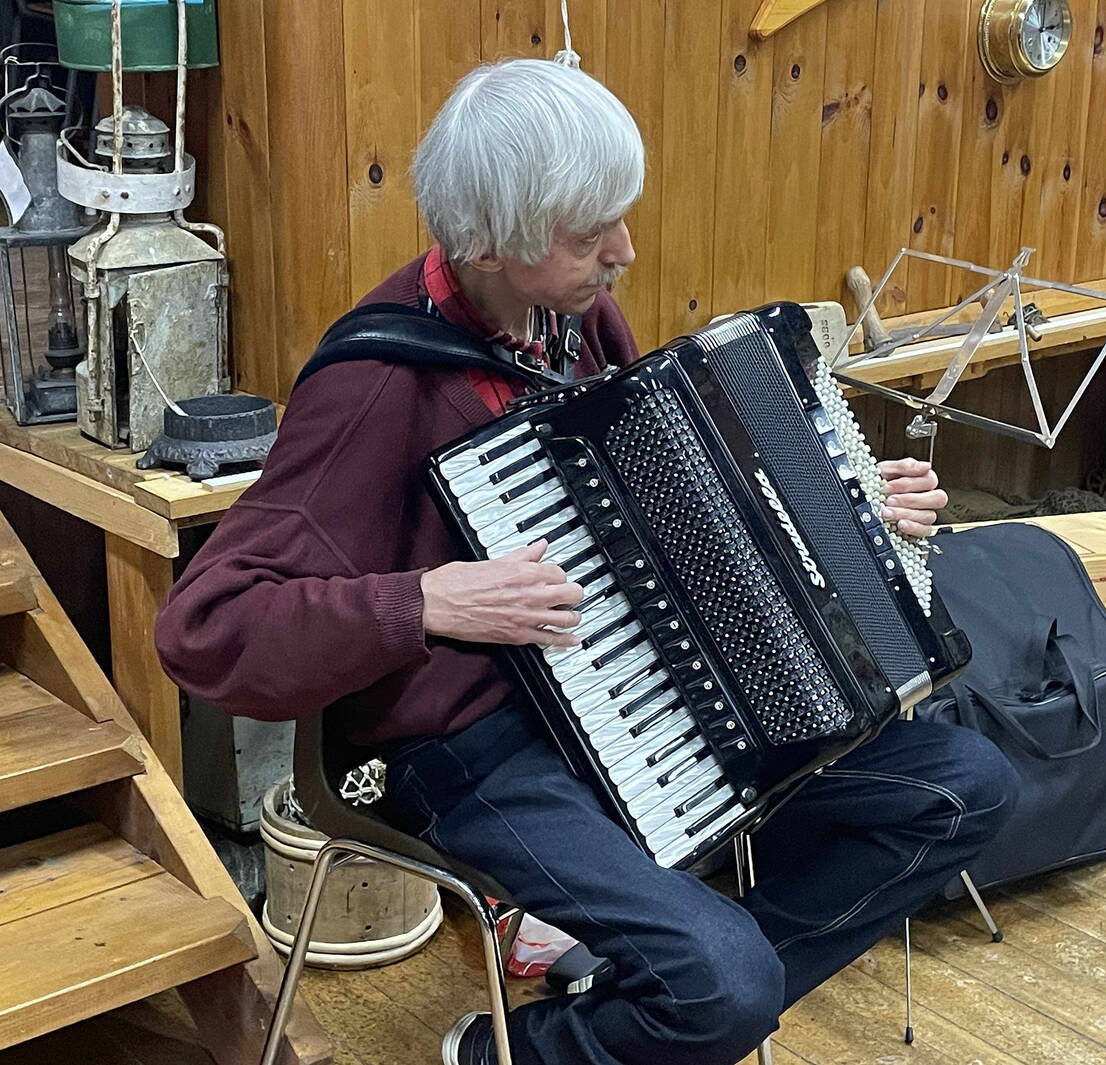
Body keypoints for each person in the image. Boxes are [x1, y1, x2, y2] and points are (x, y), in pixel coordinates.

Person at [156, 59, 1018, 1065]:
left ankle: (652, 989)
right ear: (485, 242)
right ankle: (510, 1051)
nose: (625, 251)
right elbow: (207, 629)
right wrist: (425, 601)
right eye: (588, 233)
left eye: (621, 215)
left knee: (961, 787)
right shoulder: (375, 387)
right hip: (473, 750)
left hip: (636, 681)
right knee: (720, 985)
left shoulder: (572, 322)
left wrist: (849, 515)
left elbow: (668, 514)